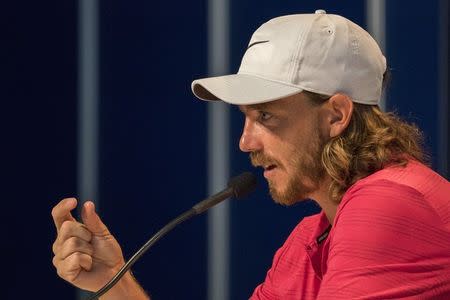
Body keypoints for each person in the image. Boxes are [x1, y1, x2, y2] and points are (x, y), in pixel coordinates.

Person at [51, 10, 450, 299]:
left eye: (265, 115)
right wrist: (115, 283)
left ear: (336, 115)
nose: (245, 143)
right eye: (245, 118)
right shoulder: (310, 238)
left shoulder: (390, 204)